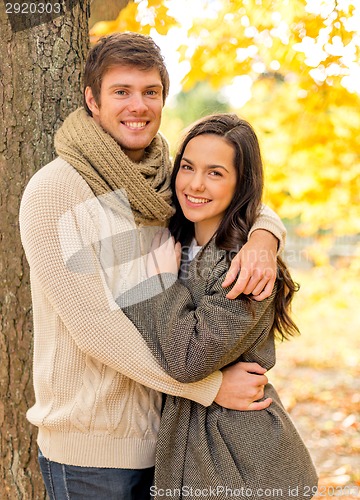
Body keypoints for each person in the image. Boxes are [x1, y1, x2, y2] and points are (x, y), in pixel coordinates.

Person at [19, 33, 287, 499]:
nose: (137, 106)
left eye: (150, 92)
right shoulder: (57, 191)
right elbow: (97, 327)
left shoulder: (163, 176)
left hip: (166, 441)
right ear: (92, 100)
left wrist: (266, 236)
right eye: (121, 91)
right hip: (90, 451)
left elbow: (231, 196)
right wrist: (210, 388)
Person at [121, 113, 318, 498]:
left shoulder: (247, 268)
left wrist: (158, 284)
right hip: (182, 445)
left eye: (215, 173)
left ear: (240, 184)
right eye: (188, 168)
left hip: (239, 459)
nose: (195, 184)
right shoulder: (171, 241)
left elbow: (188, 359)